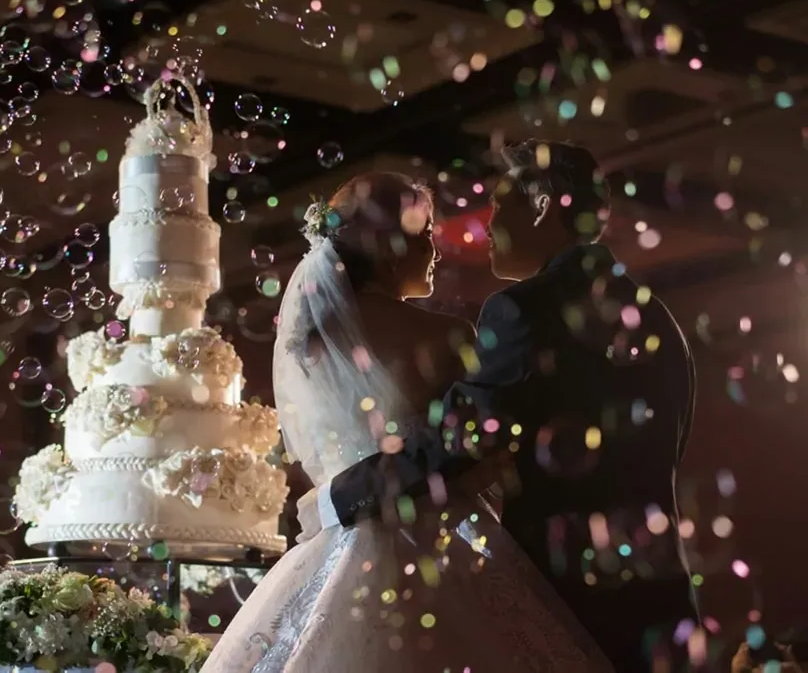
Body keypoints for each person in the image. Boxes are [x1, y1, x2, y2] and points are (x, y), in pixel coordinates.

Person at [300, 141, 700, 672]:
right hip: (664, 612)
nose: (486, 226)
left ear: (541, 207)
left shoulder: (523, 311)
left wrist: (336, 498)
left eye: (499, 204)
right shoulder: (662, 322)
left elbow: (456, 440)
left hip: (571, 613)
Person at [200, 171, 614, 673]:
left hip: (336, 535)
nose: (435, 250)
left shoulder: (307, 342)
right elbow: (478, 453)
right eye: (424, 233)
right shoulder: (449, 336)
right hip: (439, 548)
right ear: (389, 245)